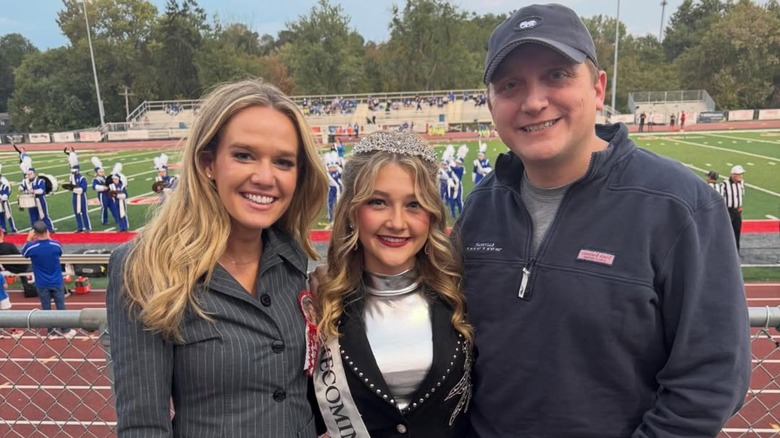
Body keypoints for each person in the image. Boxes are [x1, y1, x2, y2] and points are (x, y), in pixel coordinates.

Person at [456, 4, 750, 437]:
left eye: (557, 75)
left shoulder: (678, 205)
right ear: (491, 102)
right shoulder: (481, 208)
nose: (534, 101)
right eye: (510, 84)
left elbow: (711, 376)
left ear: (597, 88)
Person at [106, 79, 329, 437]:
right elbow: (143, 426)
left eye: (284, 162)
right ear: (208, 163)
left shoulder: (293, 260)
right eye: (244, 155)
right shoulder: (146, 266)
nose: (265, 177)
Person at [314, 130, 472, 437]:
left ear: (431, 214)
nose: (397, 222)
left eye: (414, 205)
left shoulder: (460, 295)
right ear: (351, 210)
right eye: (378, 202)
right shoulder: (318, 300)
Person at [22, 221, 75, 339]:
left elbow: (24, 253)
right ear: (47, 231)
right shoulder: (55, 245)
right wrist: (49, 237)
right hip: (56, 281)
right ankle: (65, 330)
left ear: (34, 233)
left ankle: (51, 332)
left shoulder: (32, 247)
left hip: (42, 283)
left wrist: (28, 239)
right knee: (61, 305)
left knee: (46, 308)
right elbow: (60, 251)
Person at [18, 159, 54, 232]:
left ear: (34, 173)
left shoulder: (40, 181)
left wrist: (33, 191)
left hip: (39, 200)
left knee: (43, 215)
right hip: (31, 201)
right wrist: (22, 189)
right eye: (28, 174)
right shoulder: (26, 181)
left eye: (30, 174)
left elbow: (41, 191)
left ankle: (50, 229)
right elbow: (21, 187)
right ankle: (35, 230)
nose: (29, 175)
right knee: (33, 216)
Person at [722, 165, 746, 251]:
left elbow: (741, 195)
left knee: (737, 231)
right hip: (728, 211)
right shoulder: (725, 184)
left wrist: (739, 205)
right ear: (733, 175)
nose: (740, 176)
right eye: (738, 174)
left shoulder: (742, 182)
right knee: (727, 231)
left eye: (741, 174)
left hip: (737, 211)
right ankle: (726, 250)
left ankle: (736, 250)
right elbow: (721, 197)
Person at [67, 151, 91, 233]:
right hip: (75, 196)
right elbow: (71, 185)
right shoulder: (71, 177)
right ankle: (79, 227)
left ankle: (87, 227)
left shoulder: (82, 178)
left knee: (84, 212)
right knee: (76, 212)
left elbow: (83, 189)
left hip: (81, 197)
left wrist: (73, 189)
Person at [91, 157, 119, 226]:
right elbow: (94, 187)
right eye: (100, 172)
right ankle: (104, 220)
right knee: (104, 207)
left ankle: (118, 219)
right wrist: (103, 187)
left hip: (109, 194)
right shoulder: (96, 179)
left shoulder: (106, 177)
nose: (102, 173)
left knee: (114, 206)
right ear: (97, 173)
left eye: (103, 171)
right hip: (102, 195)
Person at [107, 164, 129, 232]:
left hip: (121, 201)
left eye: (116, 179)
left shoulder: (122, 186)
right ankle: (120, 227)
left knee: (123, 214)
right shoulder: (112, 186)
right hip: (115, 202)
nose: (115, 180)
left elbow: (126, 195)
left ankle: (125, 227)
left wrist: (117, 195)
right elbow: (110, 193)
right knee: (118, 214)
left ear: (118, 179)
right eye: (113, 179)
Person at [0, 164, 18, 234]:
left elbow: (6, 194)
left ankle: (13, 228)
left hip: (4, 201)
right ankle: (3, 228)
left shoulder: (4, 182)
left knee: (8, 215)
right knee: (0, 215)